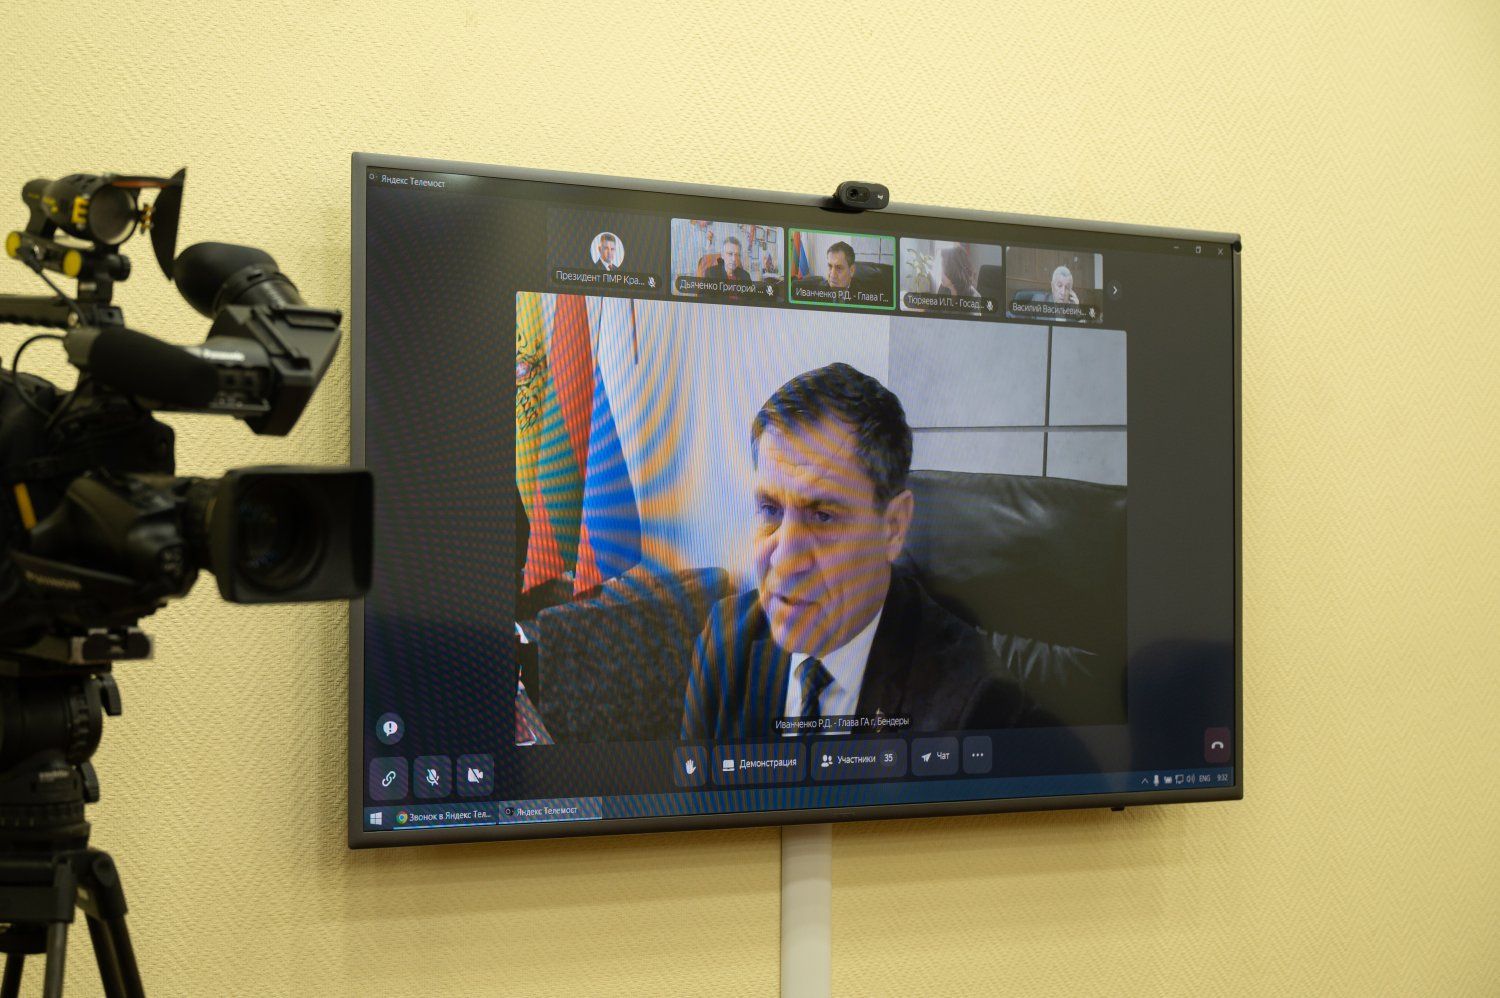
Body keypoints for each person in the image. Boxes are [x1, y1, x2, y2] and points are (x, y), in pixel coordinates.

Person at [680, 363, 1045, 741]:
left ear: (893, 527)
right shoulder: (724, 641)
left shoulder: (974, 701)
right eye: (770, 510)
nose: (783, 561)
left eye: (823, 516)